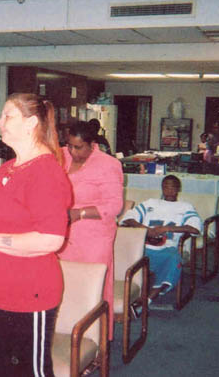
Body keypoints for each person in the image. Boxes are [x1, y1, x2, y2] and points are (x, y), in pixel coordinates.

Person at [0, 93, 72, 375]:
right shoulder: (8, 167)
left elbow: (51, 239)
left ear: (30, 124)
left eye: (7, 116)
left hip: (26, 295)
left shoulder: (46, 172)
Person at [57, 121, 123, 340]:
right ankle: (66, 334)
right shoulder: (60, 156)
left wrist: (80, 213)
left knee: (92, 288)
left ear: (92, 144)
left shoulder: (108, 164)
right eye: (69, 145)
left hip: (94, 237)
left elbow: (114, 206)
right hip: (63, 233)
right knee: (64, 284)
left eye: (78, 147)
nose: (72, 152)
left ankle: (96, 340)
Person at [120, 175, 202, 303]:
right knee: (120, 252)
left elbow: (195, 228)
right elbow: (128, 218)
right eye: (166, 187)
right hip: (142, 245)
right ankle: (124, 295)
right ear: (162, 188)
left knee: (174, 258)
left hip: (167, 247)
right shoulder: (150, 203)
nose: (169, 190)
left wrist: (166, 228)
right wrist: (146, 229)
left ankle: (148, 299)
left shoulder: (185, 207)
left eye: (172, 187)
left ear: (179, 189)